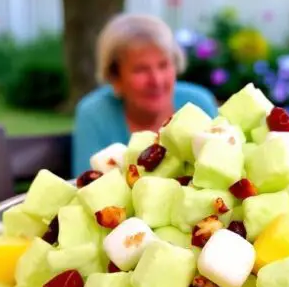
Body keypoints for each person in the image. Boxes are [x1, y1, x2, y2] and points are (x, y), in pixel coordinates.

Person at [72, 14, 218, 175]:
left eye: (163, 65)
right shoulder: (94, 113)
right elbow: (87, 187)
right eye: (140, 69)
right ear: (115, 77)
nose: (156, 80)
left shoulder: (199, 102)